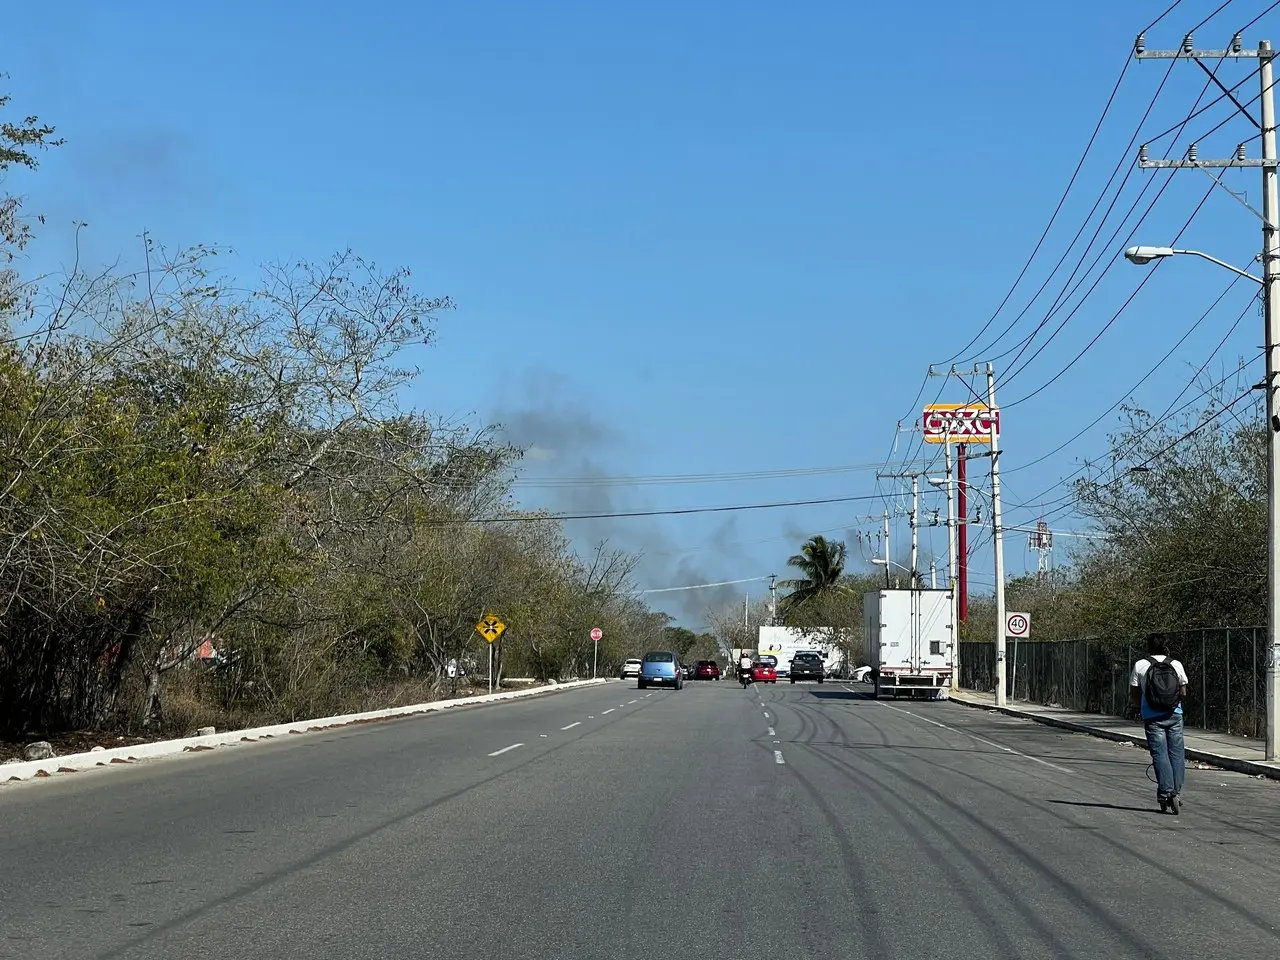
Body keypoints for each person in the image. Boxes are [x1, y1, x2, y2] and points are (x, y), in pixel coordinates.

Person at [1130, 637, 1189, 814]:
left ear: (1147, 648)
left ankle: (1165, 792)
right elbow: (1183, 691)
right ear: (1165, 647)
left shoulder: (1140, 665)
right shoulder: (1176, 664)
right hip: (1174, 714)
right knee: (1177, 754)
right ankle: (1176, 792)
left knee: (1160, 754)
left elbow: (1134, 693)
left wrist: (1137, 708)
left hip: (1152, 717)